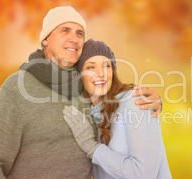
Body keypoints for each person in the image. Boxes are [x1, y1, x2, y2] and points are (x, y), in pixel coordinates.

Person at [0, 6, 162, 178]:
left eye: (79, 33)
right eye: (65, 30)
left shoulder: (85, 86)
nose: (74, 38)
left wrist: (155, 103)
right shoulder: (17, 86)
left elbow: (118, 102)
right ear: (45, 39)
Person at [63, 39, 172, 179]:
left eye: (106, 66)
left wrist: (92, 147)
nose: (101, 73)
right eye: (91, 67)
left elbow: (143, 174)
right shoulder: (86, 114)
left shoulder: (135, 102)